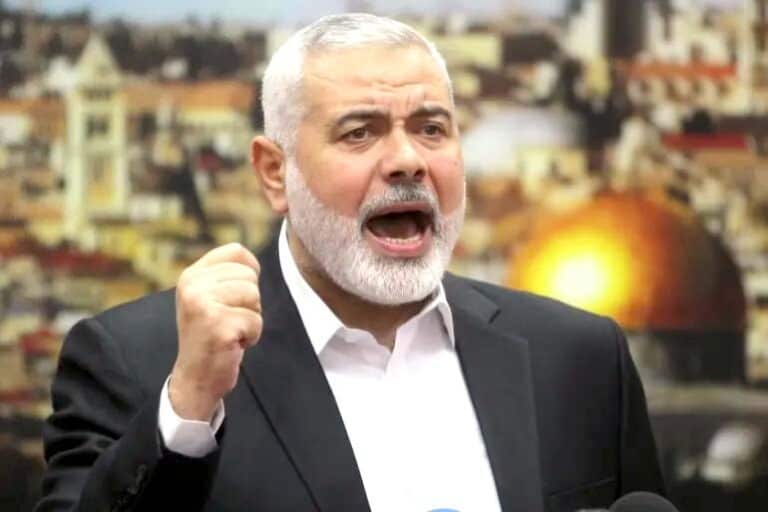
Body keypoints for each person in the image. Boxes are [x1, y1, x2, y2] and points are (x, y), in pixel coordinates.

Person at [36, 13, 664, 512]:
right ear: (275, 173)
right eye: (360, 132)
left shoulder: (579, 358)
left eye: (431, 128)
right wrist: (189, 410)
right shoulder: (143, 365)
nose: (407, 160)